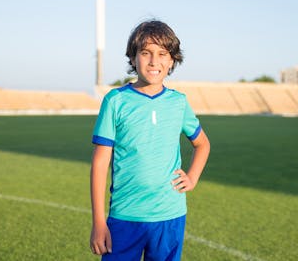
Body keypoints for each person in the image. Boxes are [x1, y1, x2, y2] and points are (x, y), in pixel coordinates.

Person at [89, 20, 211, 260]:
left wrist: (192, 177)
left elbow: (202, 144)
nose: (154, 61)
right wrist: (98, 221)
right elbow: (100, 163)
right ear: (133, 58)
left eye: (162, 54)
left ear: (172, 60)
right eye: (145, 53)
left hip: (170, 215)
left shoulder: (178, 102)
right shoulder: (116, 101)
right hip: (125, 216)